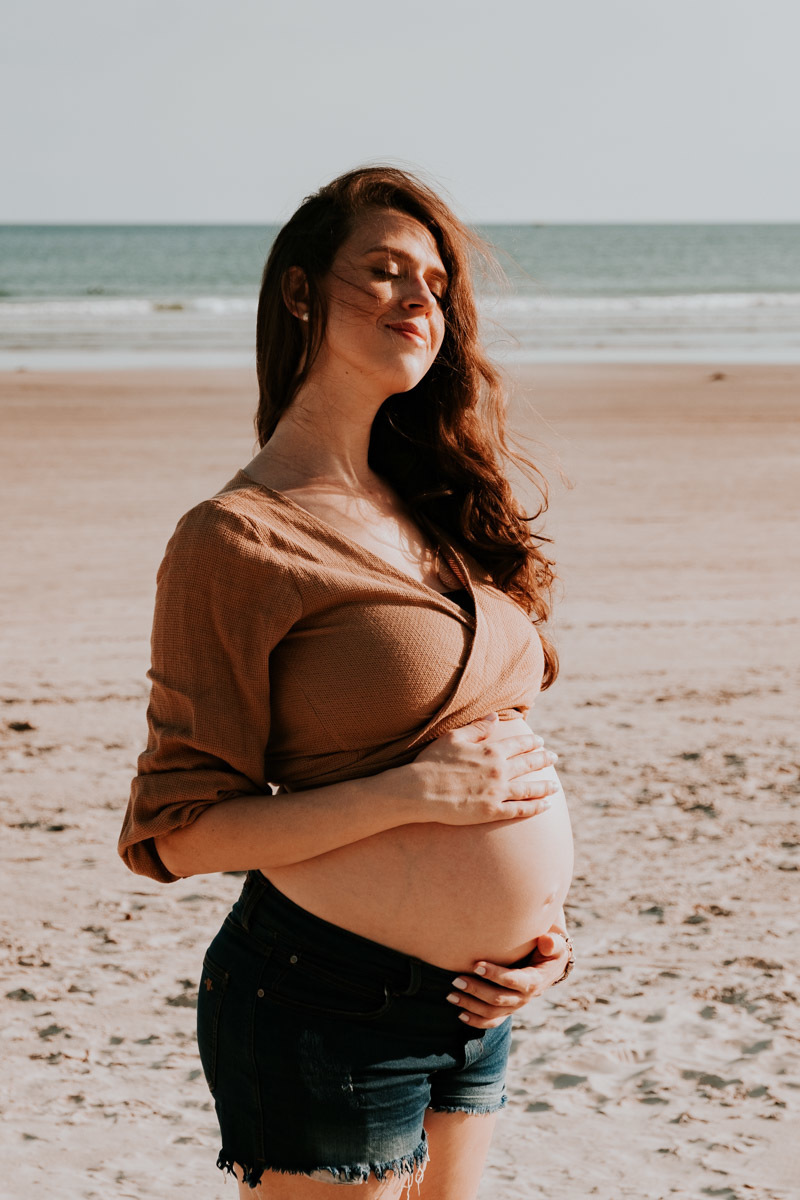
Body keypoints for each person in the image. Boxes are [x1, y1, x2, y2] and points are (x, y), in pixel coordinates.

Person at [118, 166, 574, 1200]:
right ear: (300, 293)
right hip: (324, 1000)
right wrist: (412, 796)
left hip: (476, 1008)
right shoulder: (235, 539)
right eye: (384, 271)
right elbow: (176, 832)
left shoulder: (437, 508)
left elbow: (494, 754)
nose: (420, 301)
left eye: (437, 285)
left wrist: (543, 938)